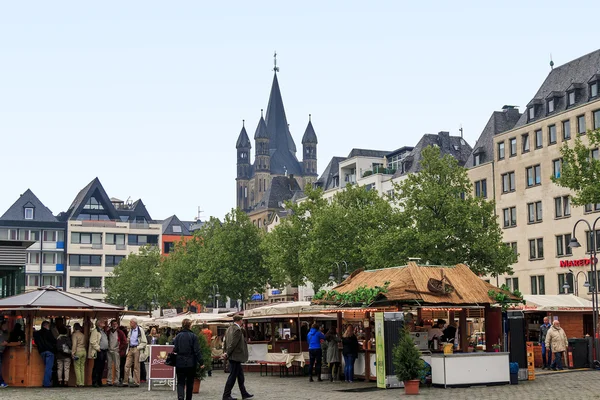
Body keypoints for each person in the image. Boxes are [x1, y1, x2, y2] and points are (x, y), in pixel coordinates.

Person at [222, 315, 253, 400]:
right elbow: (233, 344)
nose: (242, 321)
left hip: (233, 356)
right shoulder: (237, 330)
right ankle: (226, 395)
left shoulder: (229, 329)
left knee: (240, 376)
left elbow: (225, 342)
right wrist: (227, 353)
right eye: (242, 320)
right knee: (232, 376)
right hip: (235, 356)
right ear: (240, 320)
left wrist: (225, 351)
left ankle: (244, 393)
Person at [174, 319, 204, 400]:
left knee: (180, 382)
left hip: (180, 361)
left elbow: (175, 349)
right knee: (190, 382)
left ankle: (180, 397)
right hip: (191, 362)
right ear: (190, 326)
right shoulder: (193, 336)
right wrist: (201, 362)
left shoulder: (178, 336)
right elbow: (197, 350)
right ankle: (188, 398)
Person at [124, 318, 147, 387]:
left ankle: (136, 382)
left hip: (137, 348)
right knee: (127, 365)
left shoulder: (140, 330)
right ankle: (125, 381)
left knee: (136, 366)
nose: (130, 324)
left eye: (131, 323)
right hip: (130, 348)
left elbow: (144, 341)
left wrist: (138, 347)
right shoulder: (130, 330)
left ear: (134, 323)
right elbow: (129, 338)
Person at [33, 321, 56, 388]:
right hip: (49, 351)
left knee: (46, 367)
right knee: (48, 368)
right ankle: (46, 383)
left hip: (42, 352)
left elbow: (36, 342)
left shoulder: (37, 333)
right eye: (48, 326)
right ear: (45, 326)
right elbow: (54, 341)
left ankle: (46, 382)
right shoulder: (48, 332)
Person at [89, 319, 108, 387]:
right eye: (102, 322)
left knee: (102, 367)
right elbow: (92, 341)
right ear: (99, 323)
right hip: (99, 351)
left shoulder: (102, 331)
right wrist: (98, 348)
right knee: (97, 366)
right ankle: (95, 382)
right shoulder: (95, 331)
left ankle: (99, 381)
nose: (104, 323)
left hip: (104, 350)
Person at [107, 319, 127, 386]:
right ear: (111, 325)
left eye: (115, 324)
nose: (114, 325)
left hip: (116, 351)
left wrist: (120, 349)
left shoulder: (120, 332)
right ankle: (109, 381)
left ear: (117, 325)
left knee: (117, 366)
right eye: (113, 324)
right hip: (109, 350)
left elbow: (124, 342)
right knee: (109, 366)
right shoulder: (108, 332)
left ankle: (116, 380)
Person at [71, 323, 86, 387]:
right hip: (84, 351)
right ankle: (82, 382)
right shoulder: (83, 335)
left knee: (77, 367)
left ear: (74, 328)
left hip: (78, 351)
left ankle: (78, 382)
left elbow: (74, 344)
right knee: (82, 367)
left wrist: (73, 352)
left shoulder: (74, 335)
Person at [0, 321, 9, 388]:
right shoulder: (2, 332)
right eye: (5, 325)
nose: (6, 326)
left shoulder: (6, 333)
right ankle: (1, 382)